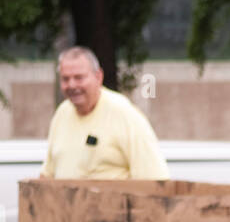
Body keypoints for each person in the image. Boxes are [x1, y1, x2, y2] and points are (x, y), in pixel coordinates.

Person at [41, 47, 168, 180]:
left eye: (79, 77)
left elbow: (156, 180)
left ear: (98, 76)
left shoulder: (125, 114)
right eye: (65, 79)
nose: (72, 85)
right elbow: (47, 175)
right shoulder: (62, 113)